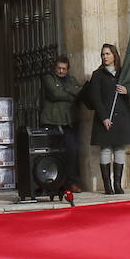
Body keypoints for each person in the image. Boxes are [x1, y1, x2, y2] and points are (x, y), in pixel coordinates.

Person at [86, 42, 130, 194]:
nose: (105, 57)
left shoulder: (123, 74)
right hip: (105, 117)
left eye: (107, 53)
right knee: (106, 149)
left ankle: (118, 184)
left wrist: (127, 92)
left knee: (119, 149)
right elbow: (95, 98)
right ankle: (108, 185)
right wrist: (104, 118)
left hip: (121, 118)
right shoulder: (97, 75)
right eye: (102, 54)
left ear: (114, 55)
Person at [40, 54, 84, 191]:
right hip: (52, 121)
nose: (61, 71)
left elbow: (80, 92)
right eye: (59, 68)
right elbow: (55, 93)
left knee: (72, 151)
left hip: (68, 122)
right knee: (53, 153)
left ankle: (71, 182)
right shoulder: (48, 78)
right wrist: (71, 94)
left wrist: (67, 91)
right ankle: (52, 182)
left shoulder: (71, 80)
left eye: (64, 69)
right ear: (55, 68)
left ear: (68, 69)